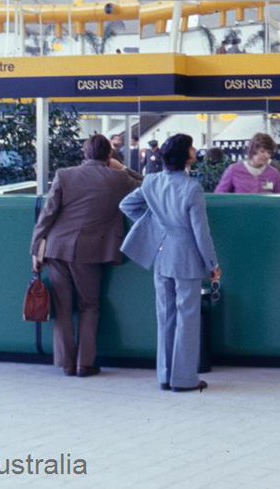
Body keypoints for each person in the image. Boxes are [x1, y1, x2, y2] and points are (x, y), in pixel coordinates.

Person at [30, 134, 143, 378]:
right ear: (109, 155)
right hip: (90, 252)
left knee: (62, 308)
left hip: (56, 248)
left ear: (84, 153)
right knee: (89, 306)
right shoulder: (119, 179)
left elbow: (47, 215)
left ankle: (67, 364)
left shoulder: (64, 175)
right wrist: (122, 167)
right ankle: (85, 363)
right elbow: (144, 184)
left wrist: (35, 249)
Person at [119, 134, 220, 392]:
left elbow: (126, 205)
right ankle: (184, 379)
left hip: (161, 255)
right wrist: (212, 264)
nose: (195, 150)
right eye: (192, 147)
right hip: (186, 257)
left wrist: (155, 224)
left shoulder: (152, 182)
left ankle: (164, 376)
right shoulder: (192, 188)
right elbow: (201, 232)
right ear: (185, 155)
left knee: (165, 316)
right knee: (187, 317)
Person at [215, 133, 280, 194]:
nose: (266, 155)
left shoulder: (274, 174)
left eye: (269, 152)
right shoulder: (233, 170)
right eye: (262, 151)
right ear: (252, 150)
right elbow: (219, 196)